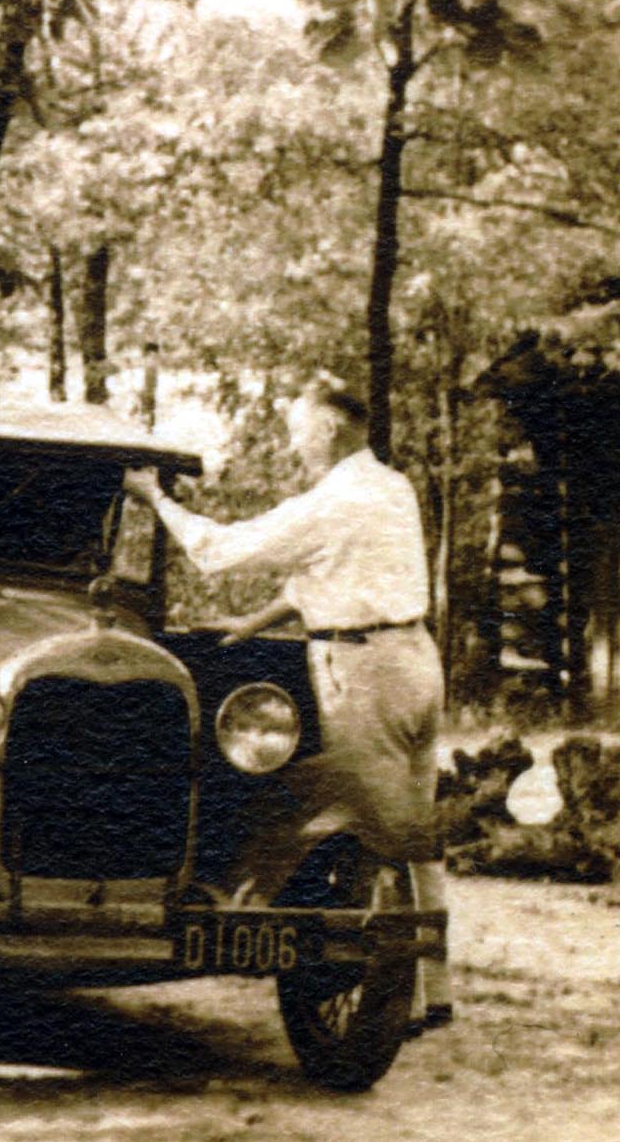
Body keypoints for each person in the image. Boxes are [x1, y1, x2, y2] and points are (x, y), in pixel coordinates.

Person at [121, 380, 453, 1034]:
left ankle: (396, 999)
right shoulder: (392, 488)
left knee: (370, 823)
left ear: (329, 427)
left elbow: (218, 551)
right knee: (417, 832)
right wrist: (253, 622)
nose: (295, 443)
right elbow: (330, 576)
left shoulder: (333, 500)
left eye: (300, 429)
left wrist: (152, 494)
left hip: (362, 668)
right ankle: (434, 990)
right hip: (417, 659)